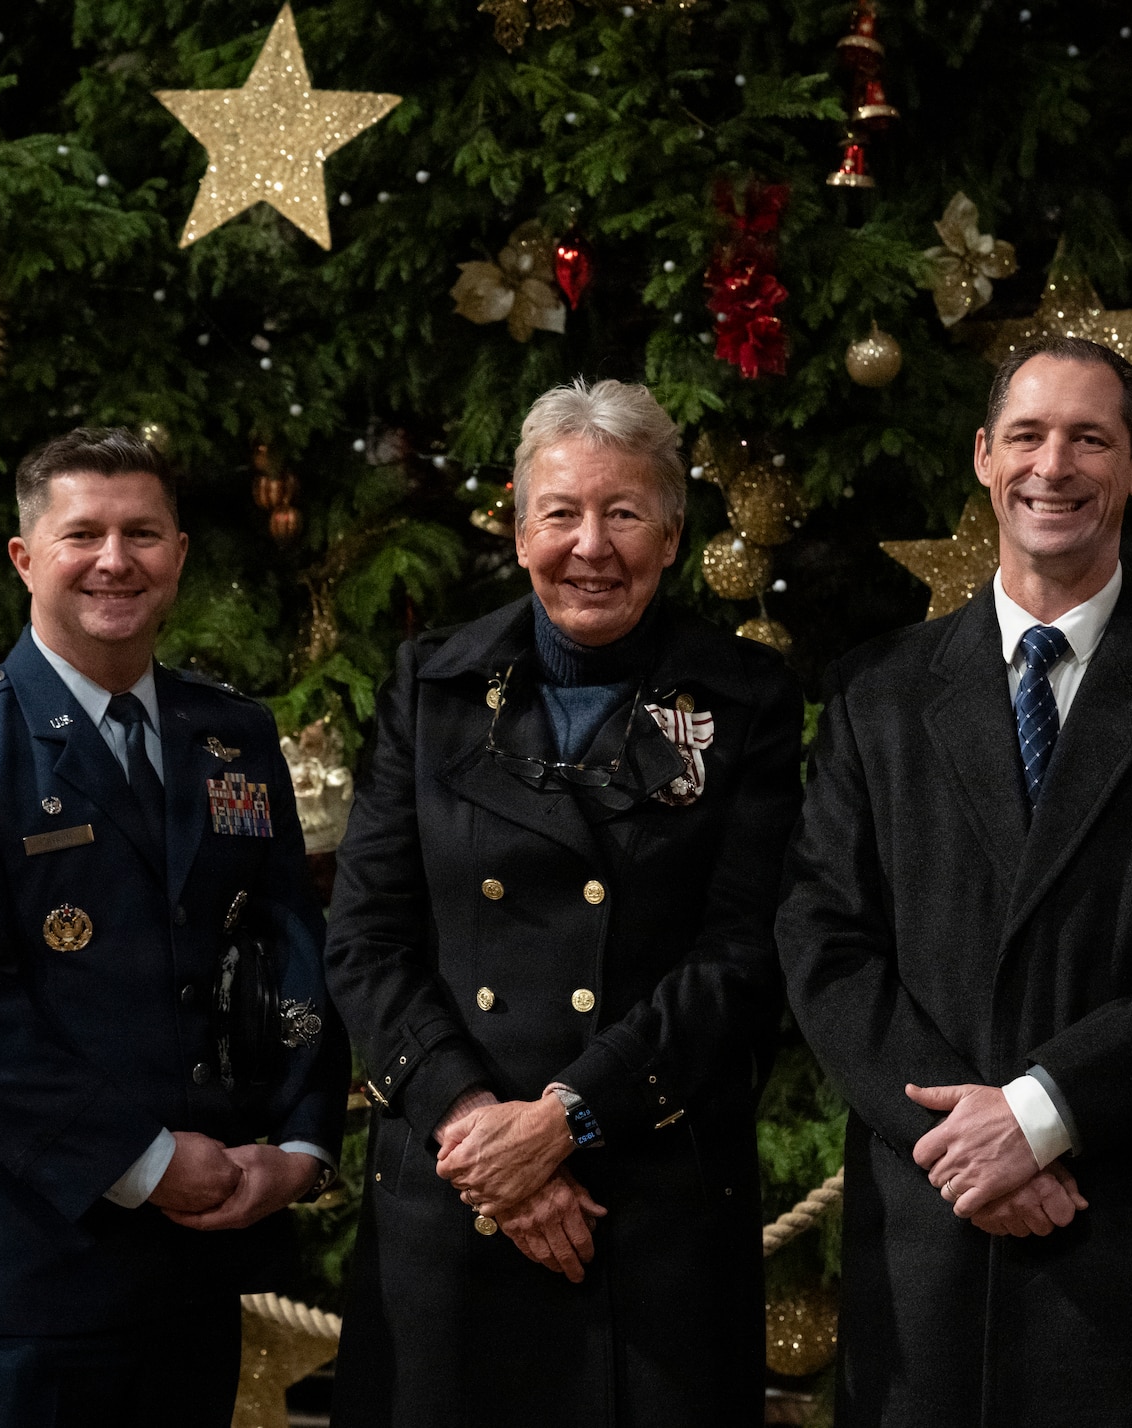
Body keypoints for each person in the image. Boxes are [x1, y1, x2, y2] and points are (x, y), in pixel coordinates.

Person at [776, 336, 1132, 1427]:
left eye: (1090, 437)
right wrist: (966, 1144)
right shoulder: (875, 694)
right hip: (929, 1243)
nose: (1054, 465)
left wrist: (1040, 1115)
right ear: (983, 457)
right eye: (1027, 435)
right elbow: (822, 942)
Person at [324, 378, 803, 1427]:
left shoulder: (746, 702)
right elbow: (365, 938)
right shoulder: (430, 686)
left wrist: (567, 1119)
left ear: (672, 536)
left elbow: (742, 954)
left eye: (624, 513)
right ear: (516, 523)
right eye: (561, 512)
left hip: (647, 1201)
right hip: (455, 1196)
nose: (591, 545)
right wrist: (481, 1130)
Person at [0, 428, 347, 1428]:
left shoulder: (232, 734)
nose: (115, 561)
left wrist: (299, 1141)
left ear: (178, 555)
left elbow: (286, 942)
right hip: (27, 1268)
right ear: (25, 557)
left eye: (144, 532)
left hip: (196, 1260)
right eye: (83, 533)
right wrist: (147, 1163)